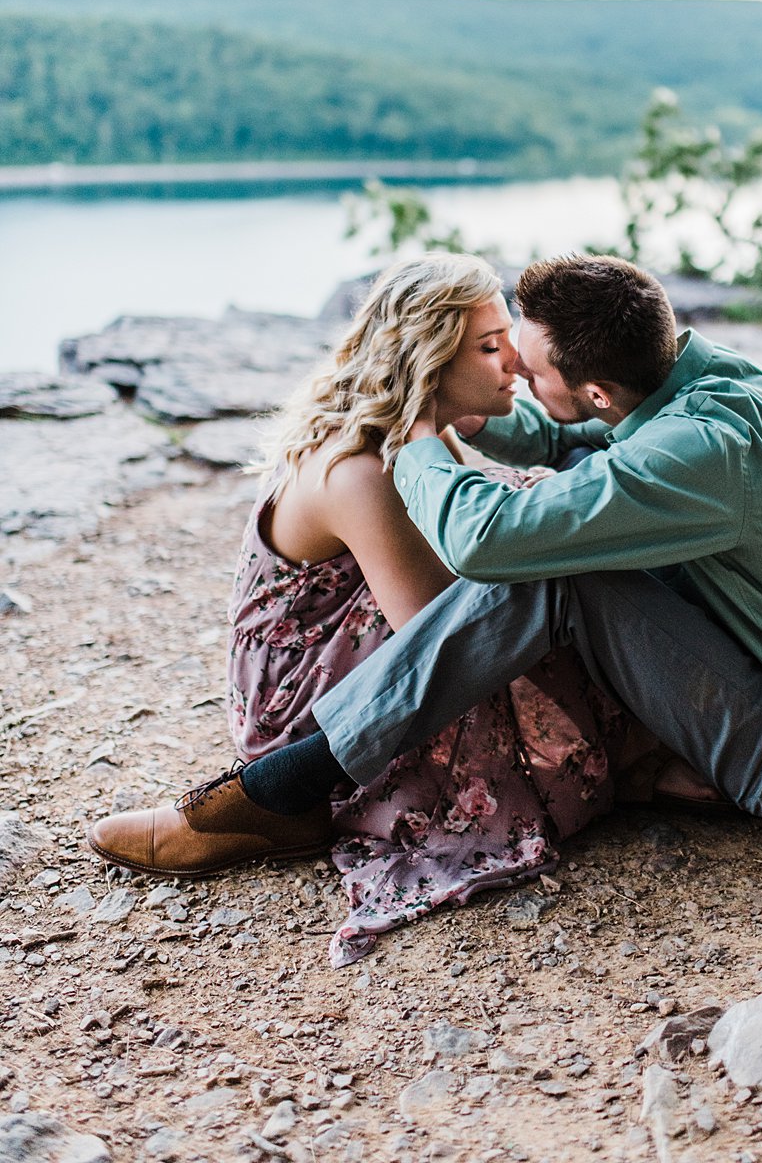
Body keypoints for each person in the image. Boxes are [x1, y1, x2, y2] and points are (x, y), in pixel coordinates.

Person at [90, 253, 762, 894]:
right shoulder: (702, 385)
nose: (513, 371)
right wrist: (450, 408)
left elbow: (490, 544)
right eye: (494, 349)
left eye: (527, 365)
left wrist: (413, 431)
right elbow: (564, 445)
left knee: (556, 569)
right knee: (562, 526)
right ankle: (637, 759)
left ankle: (278, 792)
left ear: (592, 389)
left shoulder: (701, 452)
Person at [88, 254, 647, 963]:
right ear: (427, 361)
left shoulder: (425, 431)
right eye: (488, 346)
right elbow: (443, 634)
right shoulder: (362, 467)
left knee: (536, 536)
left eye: (506, 336)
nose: (515, 361)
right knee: (533, 574)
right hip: (311, 703)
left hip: (375, 663)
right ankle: (270, 800)